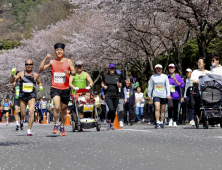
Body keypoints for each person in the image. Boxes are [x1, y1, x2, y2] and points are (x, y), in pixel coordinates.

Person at [39, 43, 76, 136]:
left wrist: (70, 72)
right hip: (55, 87)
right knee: (56, 107)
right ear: (55, 52)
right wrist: (45, 59)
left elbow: (74, 72)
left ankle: (62, 126)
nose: (59, 51)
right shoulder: (52, 62)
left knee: (64, 108)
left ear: (64, 51)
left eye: (61, 50)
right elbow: (41, 69)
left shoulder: (68, 61)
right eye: (57, 50)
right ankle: (56, 123)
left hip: (65, 88)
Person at [12, 59, 43, 136]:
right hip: (22, 96)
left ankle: (29, 130)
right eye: (27, 64)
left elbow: (39, 82)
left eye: (30, 64)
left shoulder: (35, 74)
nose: (28, 66)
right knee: (23, 114)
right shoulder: (21, 73)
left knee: (31, 112)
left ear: (32, 65)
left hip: (31, 95)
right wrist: (12, 74)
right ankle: (22, 121)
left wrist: (40, 86)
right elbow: (12, 81)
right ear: (25, 65)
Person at [148, 64, 171, 129]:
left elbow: (167, 85)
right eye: (157, 68)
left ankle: (161, 122)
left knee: (162, 109)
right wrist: (149, 95)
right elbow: (150, 86)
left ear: (161, 69)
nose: (159, 69)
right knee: (157, 108)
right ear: (155, 69)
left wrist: (168, 94)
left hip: (163, 95)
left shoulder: (165, 76)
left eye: (160, 68)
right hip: (156, 95)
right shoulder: (153, 77)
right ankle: (157, 122)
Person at [101, 63, 122, 130]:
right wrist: (104, 86)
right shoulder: (105, 76)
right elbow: (102, 83)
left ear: (115, 69)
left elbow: (121, 85)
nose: (112, 70)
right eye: (111, 68)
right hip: (108, 95)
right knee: (111, 109)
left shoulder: (118, 76)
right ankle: (108, 121)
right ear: (109, 69)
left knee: (114, 110)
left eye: (113, 68)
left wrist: (119, 85)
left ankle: (111, 123)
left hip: (116, 95)